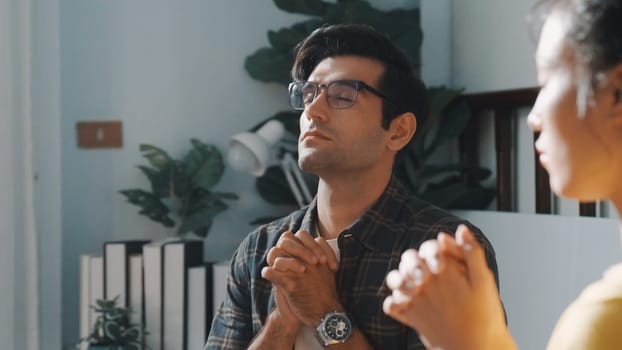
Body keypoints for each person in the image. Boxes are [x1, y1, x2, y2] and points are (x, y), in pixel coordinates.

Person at [205, 23, 500, 350]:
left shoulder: (440, 252)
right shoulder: (259, 250)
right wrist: (281, 322)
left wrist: (324, 312)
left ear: (398, 131)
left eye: (342, 96)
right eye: (309, 94)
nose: (313, 111)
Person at [383, 0, 622, 349]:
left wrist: (468, 340)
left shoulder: (604, 324)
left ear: (616, 93)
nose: (533, 117)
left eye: (547, 80)